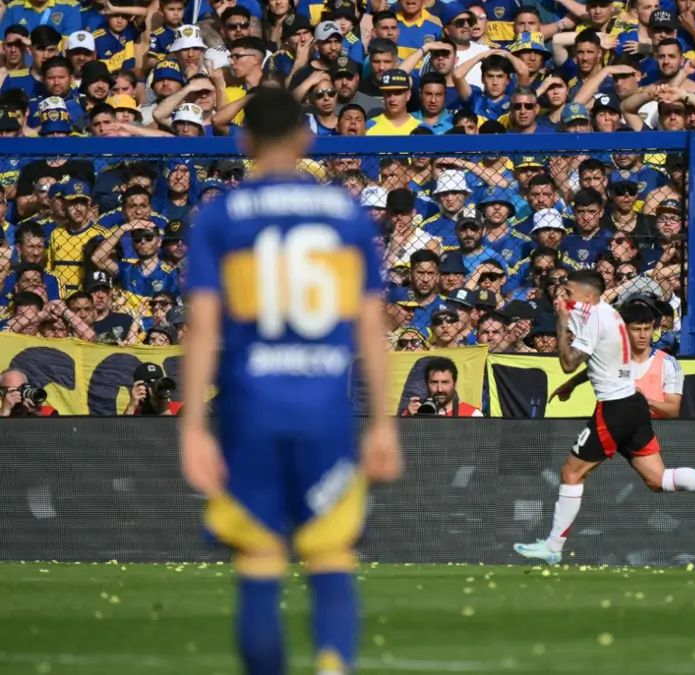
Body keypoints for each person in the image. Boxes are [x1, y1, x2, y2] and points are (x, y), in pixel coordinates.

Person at [180, 88, 402, 675]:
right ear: (306, 139)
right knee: (329, 552)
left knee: (258, 558)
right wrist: (382, 423)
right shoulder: (347, 214)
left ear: (244, 140)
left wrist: (194, 428)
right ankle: (333, 665)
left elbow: (202, 328)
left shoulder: (221, 215)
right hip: (325, 409)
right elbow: (371, 328)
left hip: (250, 408)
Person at [513, 269, 695, 565]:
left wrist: (562, 322)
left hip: (614, 408)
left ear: (588, 296)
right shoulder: (608, 314)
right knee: (658, 479)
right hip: (632, 405)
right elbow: (601, 360)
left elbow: (567, 362)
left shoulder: (595, 319)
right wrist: (574, 383)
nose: (564, 295)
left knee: (571, 473)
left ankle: (553, 547)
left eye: (570, 291)